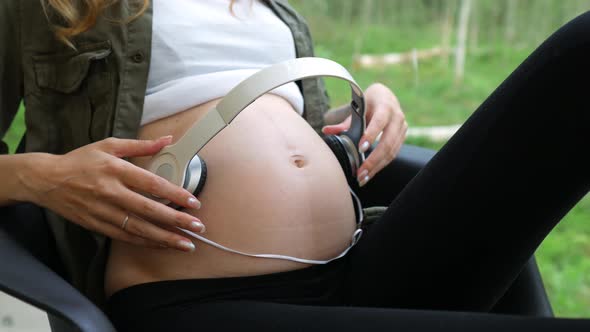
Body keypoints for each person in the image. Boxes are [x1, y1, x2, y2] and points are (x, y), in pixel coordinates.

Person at [0, 0, 588, 331]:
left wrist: (363, 112)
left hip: (357, 263)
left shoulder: (262, 5)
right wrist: (45, 177)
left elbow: (278, 127)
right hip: (200, 304)